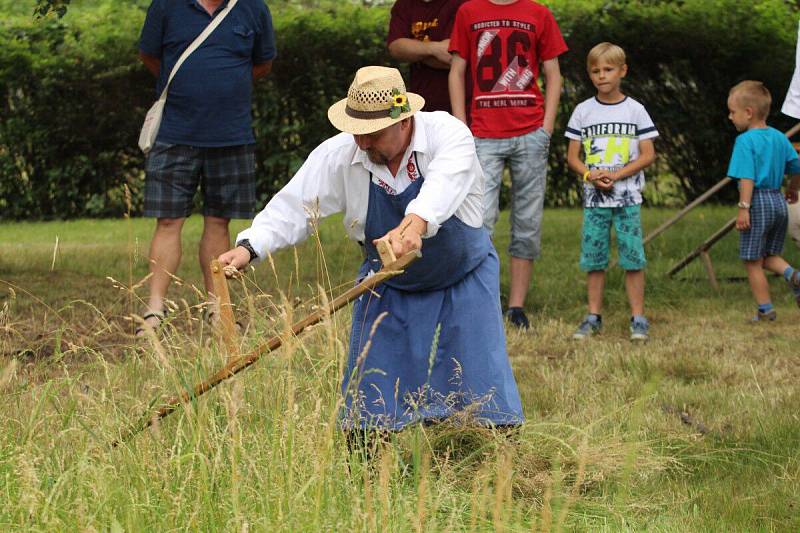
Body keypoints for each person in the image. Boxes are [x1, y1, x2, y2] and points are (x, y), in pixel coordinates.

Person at [219, 66, 524, 435]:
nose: (362, 144)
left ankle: (483, 452)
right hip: (387, 282)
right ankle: (370, 459)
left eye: (373, 134)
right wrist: (251, 246)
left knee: (480, 383)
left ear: (404, 120)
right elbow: (295, 204)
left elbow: (444, 185)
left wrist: (414, 225)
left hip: (463, 277)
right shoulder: (339, 154)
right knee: (371, 403)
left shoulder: (448, 135)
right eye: (356, 133)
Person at [136, 0, 276, 333]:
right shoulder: (166, 6)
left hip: (231, 134)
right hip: (173, 132)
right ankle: (154, 312)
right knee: (168, 221)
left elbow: (262, 64)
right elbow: (150, 56)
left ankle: (218, 310)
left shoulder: (253, 8)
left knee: (218, 223)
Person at [448, 0, 568, 329]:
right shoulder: (469, 12)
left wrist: (547, 127)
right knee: (479, 218)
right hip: (483, 135)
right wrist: (463, 127)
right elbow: (456, 71)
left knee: (527, 219)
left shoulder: (538, 12)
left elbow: (553, 73)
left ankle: (516, 306)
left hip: (530, 132)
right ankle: (481, 299)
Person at [564, 43, 658, 342]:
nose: (601, 76)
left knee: (633, 256)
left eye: (608, 70)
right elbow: (572, 157)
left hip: (628, 199)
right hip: (595, 201)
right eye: (595, 71)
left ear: (622, 71)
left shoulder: (635, 110)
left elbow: (647, 154)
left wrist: (617, 175)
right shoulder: (582, 111)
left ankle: (638, 317)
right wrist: (591, 175)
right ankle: (593, 316)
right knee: (594, 258)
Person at [726, 80, 800, 319]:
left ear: (748, 113)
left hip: (756, 201)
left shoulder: (745, 142)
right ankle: (794, 276)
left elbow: (747, 177)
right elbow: (797, 166)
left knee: (752, 260)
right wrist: (793, 188)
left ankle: (765, 310)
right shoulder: (779, 137)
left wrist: (743, 208)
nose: (730, 117)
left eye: (732, 112)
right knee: (768, 255)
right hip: (778, 202)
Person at [386, 0, 467, 114]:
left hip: (462, 106)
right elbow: (395, 47)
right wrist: (433, 48)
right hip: (421, 105)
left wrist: (414, 51)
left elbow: (451, 57)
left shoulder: (462, 4)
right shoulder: (404, 4)